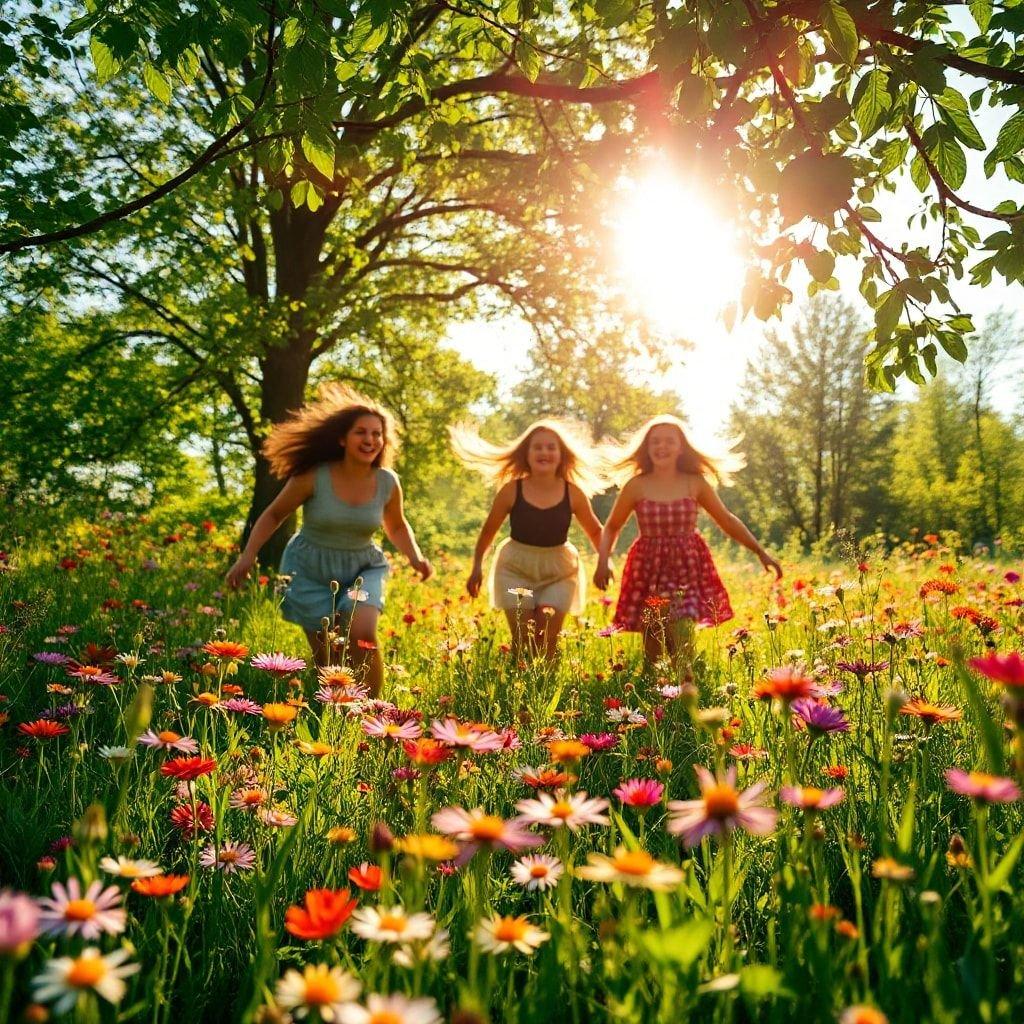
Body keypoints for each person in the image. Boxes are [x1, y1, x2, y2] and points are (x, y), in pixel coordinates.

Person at [226, 385, 432, 693]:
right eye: (361, 432)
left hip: (363, 566)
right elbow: (273, 515)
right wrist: (247, 556)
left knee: (362, 635)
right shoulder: (314, 475)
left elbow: (398, 526)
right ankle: (338, 714)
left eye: (377, 434)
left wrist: (416, 557)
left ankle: (374, 711)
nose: (370, 440)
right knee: (329, 657)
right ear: (342, 438)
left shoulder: (387, 482)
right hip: (309, 568)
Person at [593, 415, 781, 668]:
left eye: (669, 441)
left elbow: (726, 520)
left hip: (687, 566)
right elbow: (612, 526)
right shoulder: (636, 485)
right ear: (647, 448)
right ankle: (657, 692)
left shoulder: (694, 482)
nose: (662, 447)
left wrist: (760, 552)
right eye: (655, 442)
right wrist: (603, 561)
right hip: (649, 568)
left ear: (680, 447)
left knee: (682, 629)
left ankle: (687, 687)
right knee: (654, 637)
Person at [451, 419, 606, 660]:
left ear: (561, 454)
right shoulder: (511, 490)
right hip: (515, 570)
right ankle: (518, 688)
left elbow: (596, 531)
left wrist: (604, 562)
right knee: (524, 637)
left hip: (559, 572)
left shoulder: (573, 493)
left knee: (547, 634)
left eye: (551, 447)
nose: (544, 452)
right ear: (527, 454)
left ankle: (547, 685)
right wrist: (476, 568)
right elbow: (488, 531)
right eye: (538, 447)